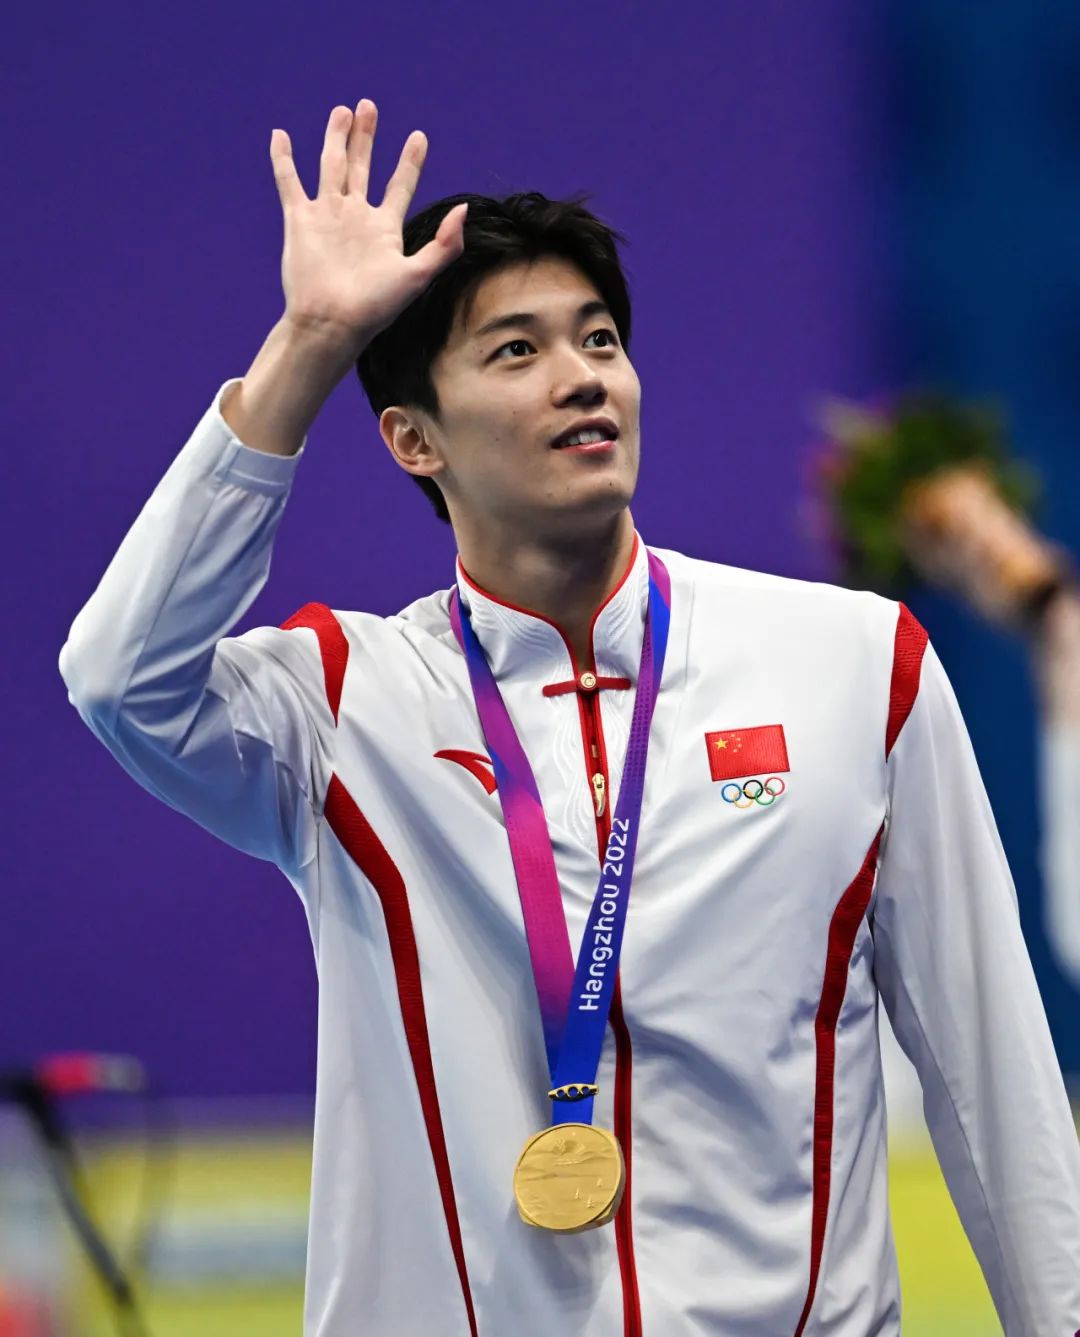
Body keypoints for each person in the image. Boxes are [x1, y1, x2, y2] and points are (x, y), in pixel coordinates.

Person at [59, 99, 1080, 1336]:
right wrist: (312, 340)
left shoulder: (857, 665)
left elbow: (993, 1075)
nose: (582, 374)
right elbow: (120, 676)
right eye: (515, 350)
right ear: (412, 439)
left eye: (599, 337)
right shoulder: (341, 705)